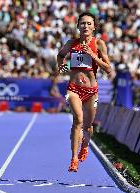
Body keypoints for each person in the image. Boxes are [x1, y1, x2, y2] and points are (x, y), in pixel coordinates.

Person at [55, 12, 112, 172]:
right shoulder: (71, 43)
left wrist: (93, 55)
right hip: (73, 89)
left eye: (89, 23)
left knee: (88, 127)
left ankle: (85, 145)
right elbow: (60, 56)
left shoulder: (99, 44)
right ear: (78, 26)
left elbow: (108, 69)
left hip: (91, 91)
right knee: (77, 120)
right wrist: (62, 67)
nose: (85, 26)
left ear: (94, 27)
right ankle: (73, 159)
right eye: (82, 23)